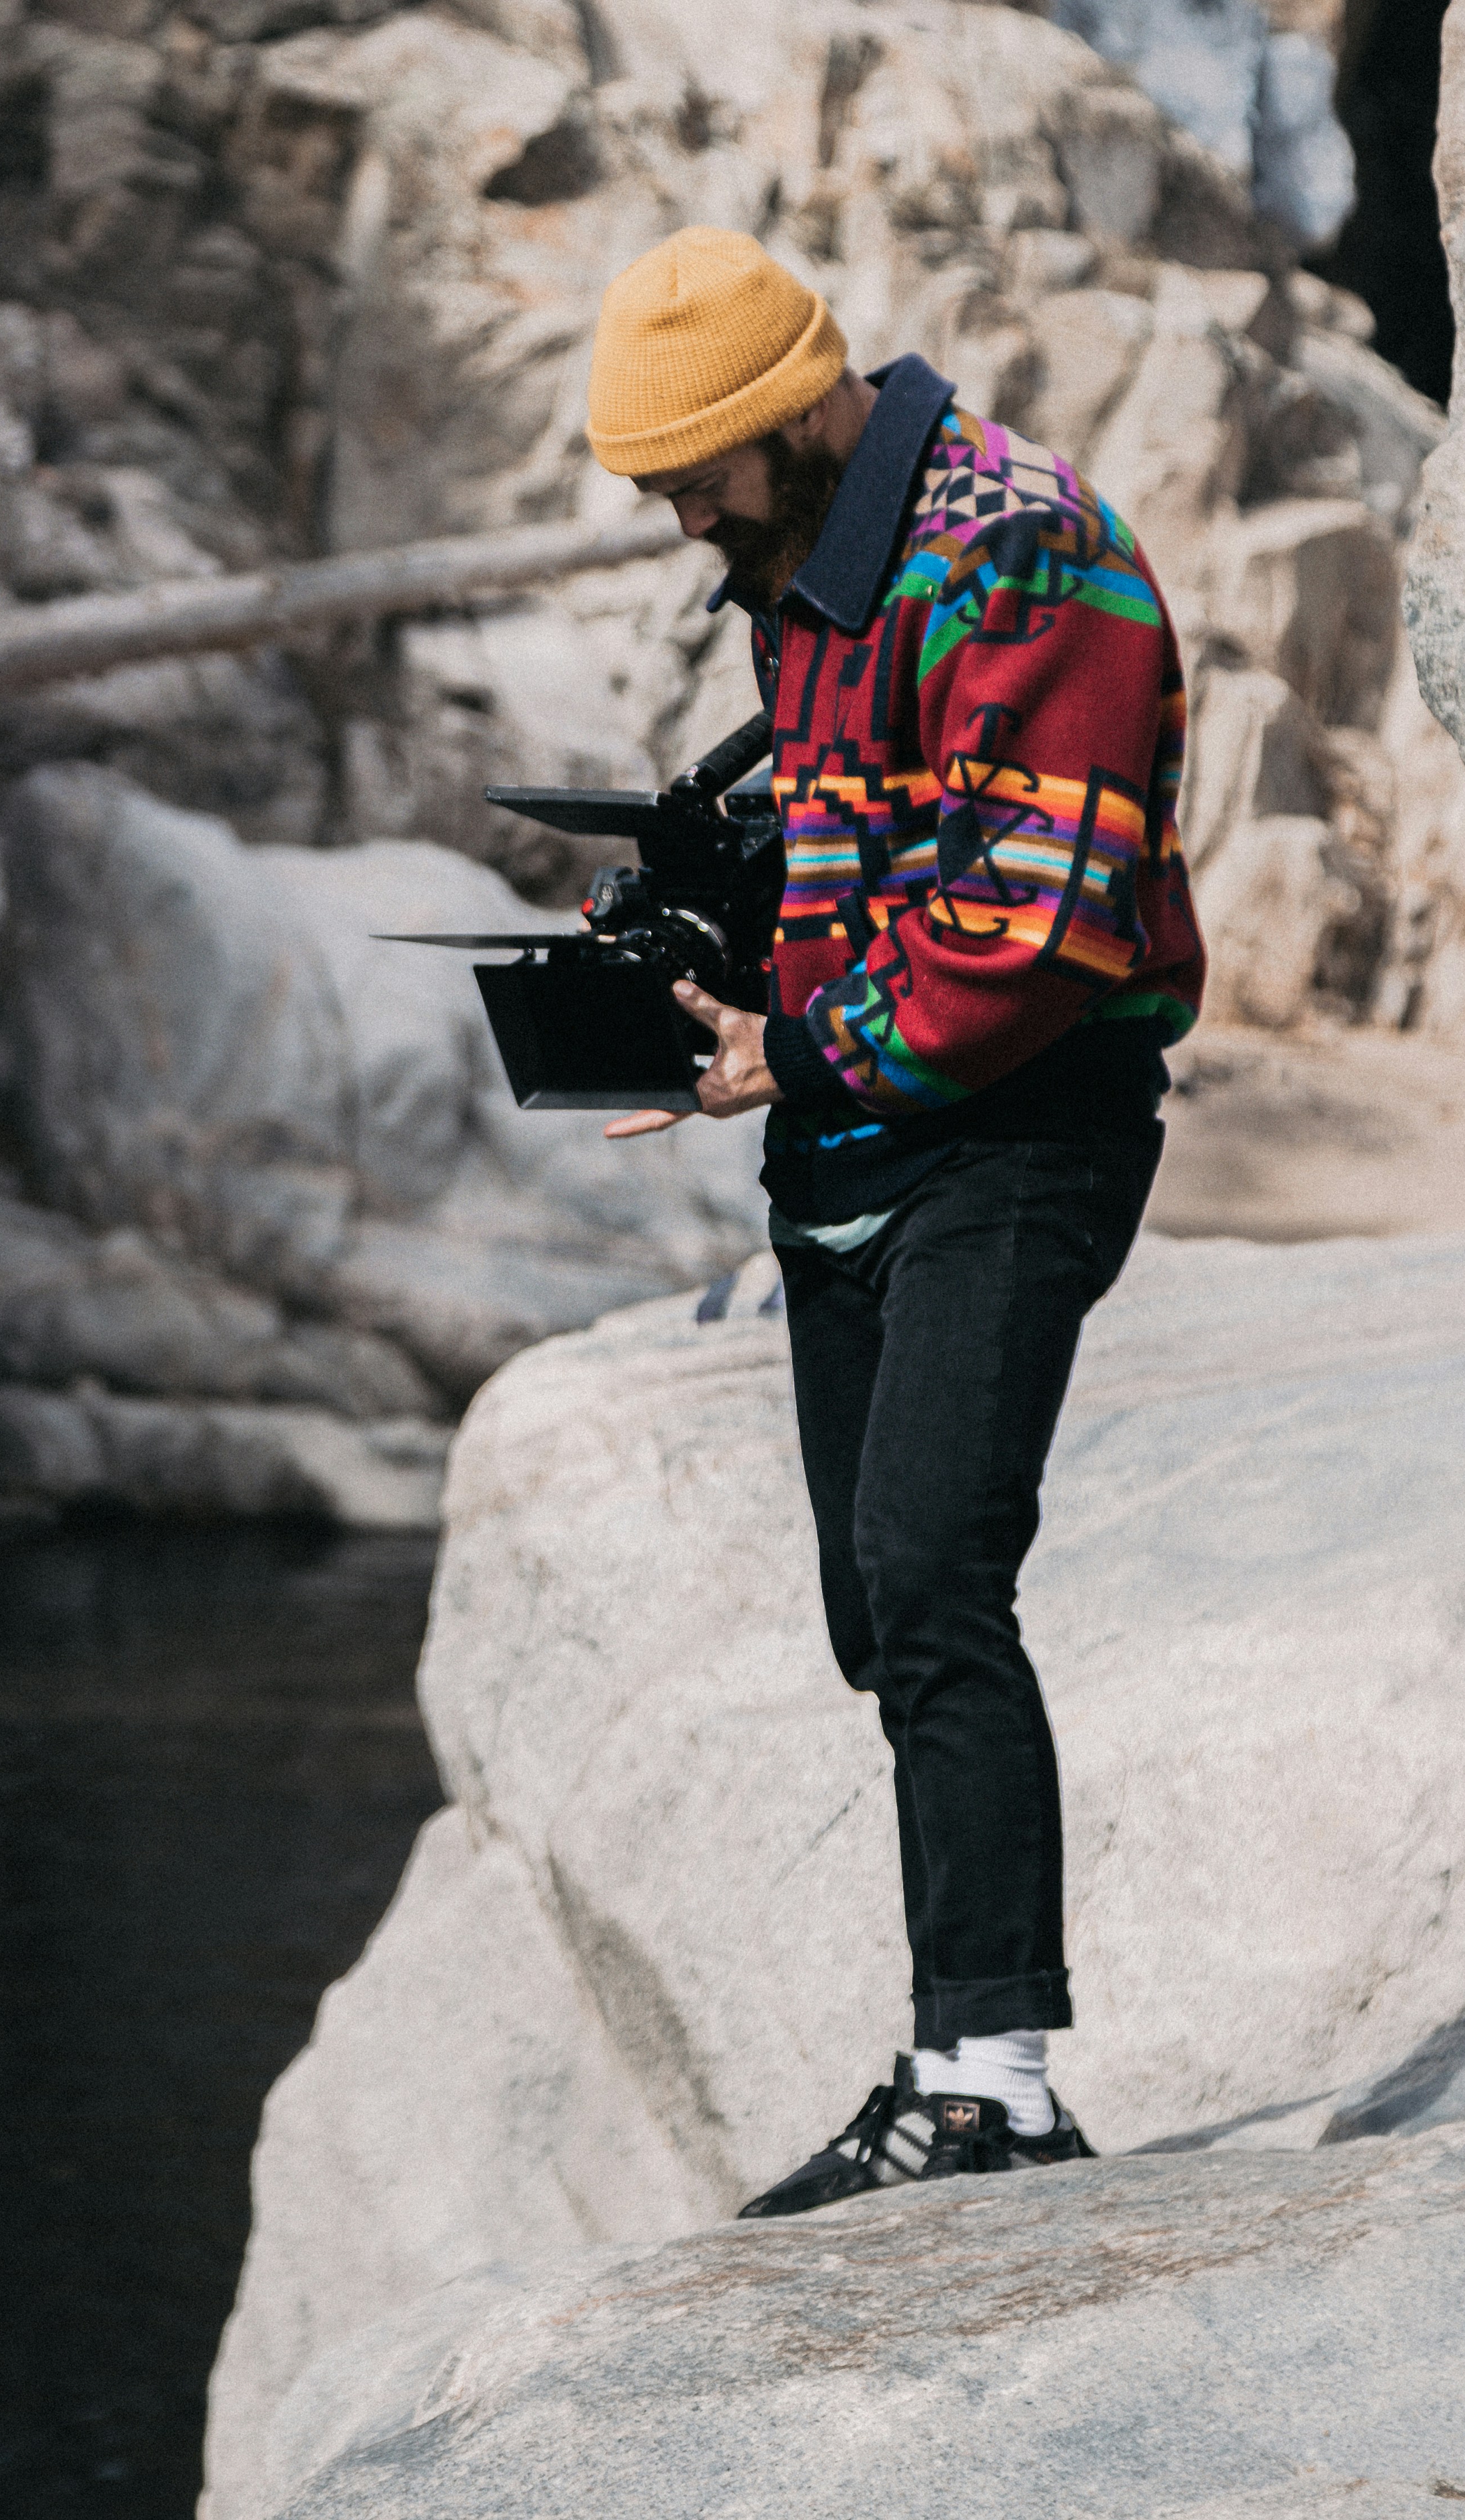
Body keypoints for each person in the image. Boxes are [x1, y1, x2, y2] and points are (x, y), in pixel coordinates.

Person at [588, 228, 1207, 2212]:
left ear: (791, 417)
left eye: (692, 475)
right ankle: (961, 2064)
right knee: (882, 1608)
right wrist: (701, 950)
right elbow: (888, 846)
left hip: (1022, 1125)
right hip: (862, 1137)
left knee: (936, 1567)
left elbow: (1043, 922)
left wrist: (805, 1041)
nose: (678, 517)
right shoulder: (806, 582)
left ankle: (995, 2084)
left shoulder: (1020, 547)